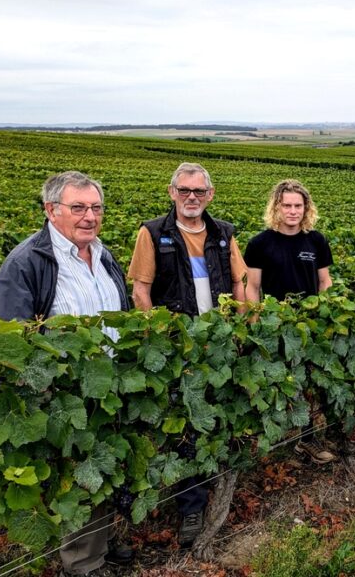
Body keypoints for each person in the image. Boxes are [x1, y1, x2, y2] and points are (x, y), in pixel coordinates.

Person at [0, 171, 131, 576]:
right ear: (51, 210)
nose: (89, 216)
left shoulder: (102, 253)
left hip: (106, 387)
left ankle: (101, 543)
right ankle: (84, 565)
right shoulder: (28, 262)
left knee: (101, 467)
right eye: (78, 207)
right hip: (61, 395)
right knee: (76, 478)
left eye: (96, 207)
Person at [127, 162, 247, 546]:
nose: (191, 198)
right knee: (186, 429)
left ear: (210, 195)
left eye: (198, 192)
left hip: (219, 343)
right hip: (179, 348)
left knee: (218, 417)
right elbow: (141, 292)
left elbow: (241, 286)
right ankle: (191, 507)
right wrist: (160, 340)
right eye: (184, 191)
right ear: (171, 192)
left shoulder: (224, 234)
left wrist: (241, 329)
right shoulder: (153, 233)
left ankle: (219, 481)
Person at [243, 179, 336, 463]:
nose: (293, 211)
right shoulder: (260, 243)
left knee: (305, 381)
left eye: (298, 206)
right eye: (287, 205)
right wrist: (256, 324)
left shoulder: (316, 241)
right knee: (277, 382)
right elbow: (252, 287)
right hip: (273, 326)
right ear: (277, 207)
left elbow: (324, 281)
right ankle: (274, 438)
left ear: (306, 208)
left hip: (306, 326)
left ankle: (304, 438)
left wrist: (324, 315)